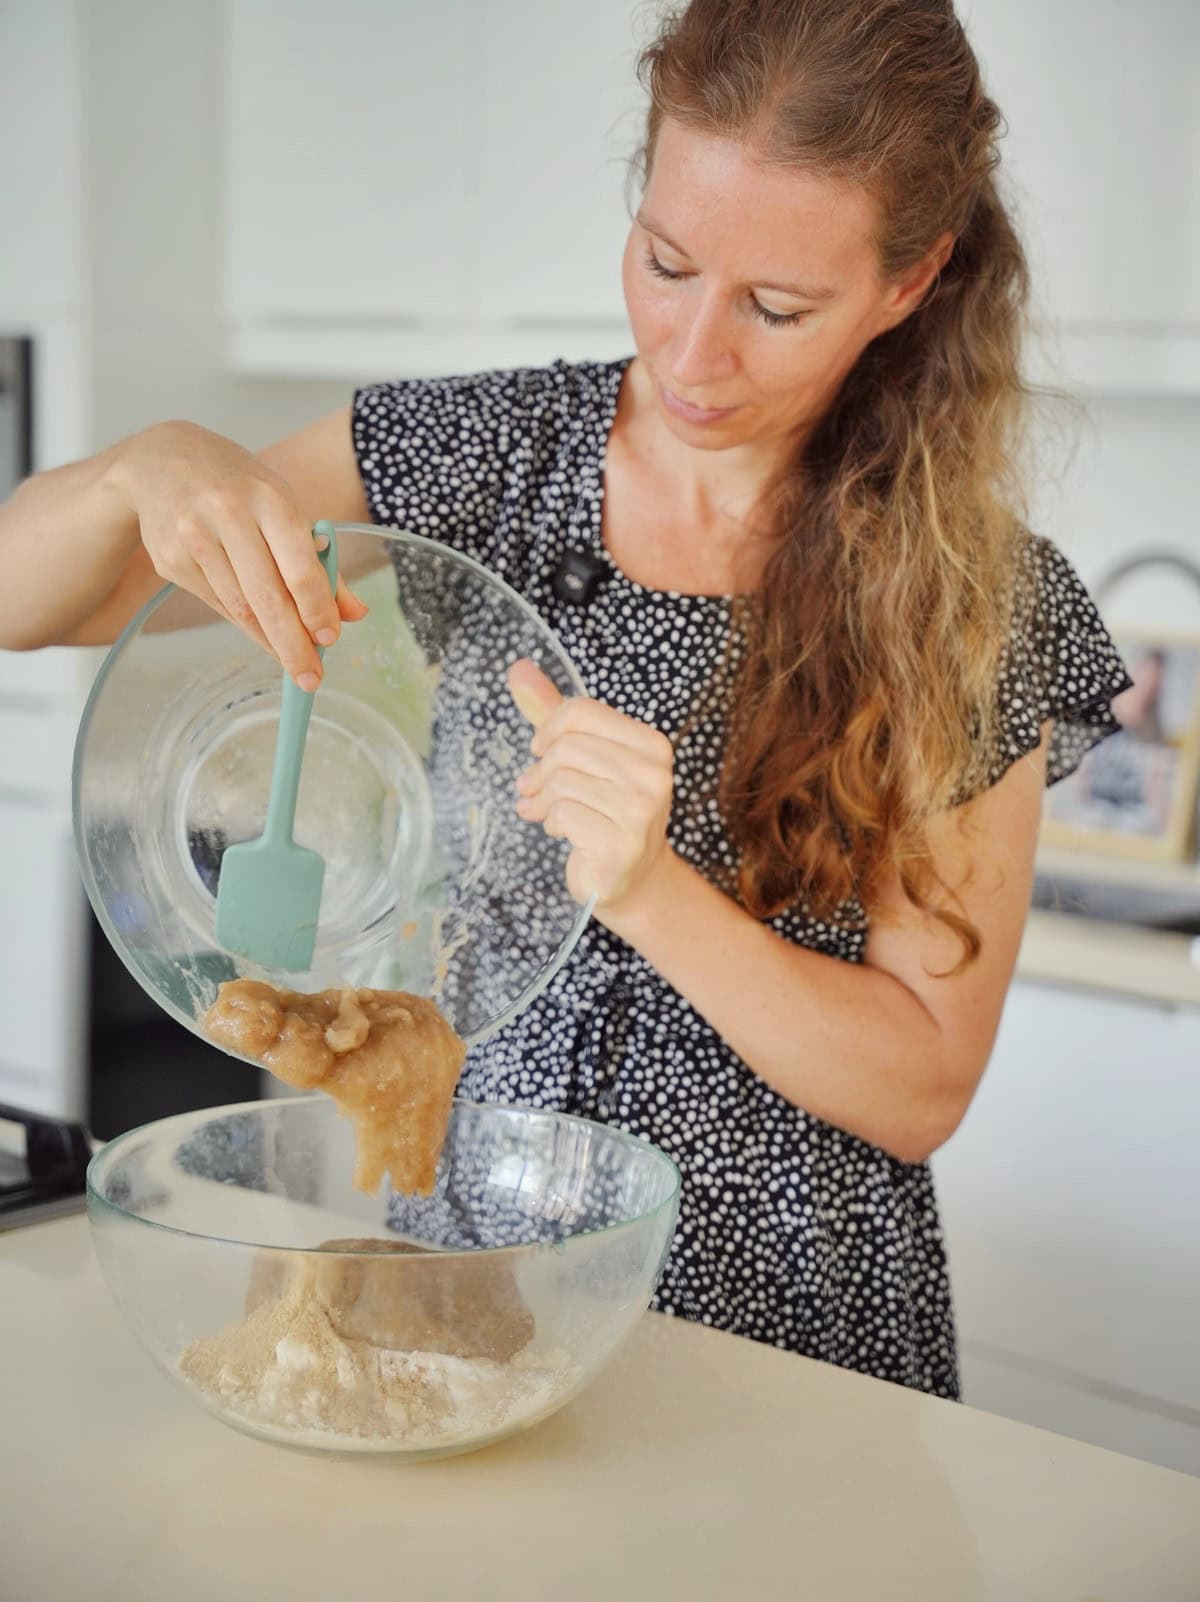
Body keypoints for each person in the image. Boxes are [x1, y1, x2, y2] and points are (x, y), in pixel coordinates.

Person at [0, 0, 1131, 1398]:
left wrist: (653, 889)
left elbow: (918, 1087)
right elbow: (32, 601)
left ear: (909, 286)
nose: (694, 353)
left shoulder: (976, 600)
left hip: (786, 1344)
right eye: (665, 261)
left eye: (777, 308)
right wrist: (145, 469)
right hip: (455, 1287)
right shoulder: (484, 454)